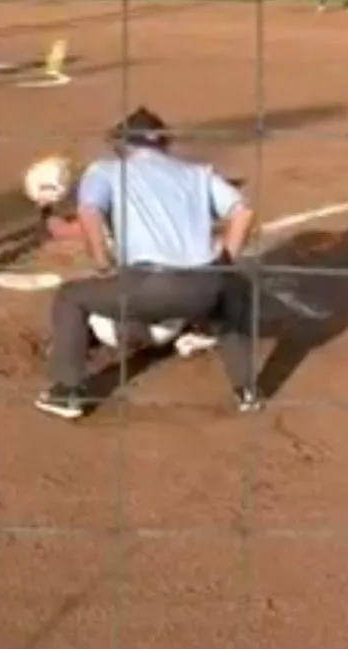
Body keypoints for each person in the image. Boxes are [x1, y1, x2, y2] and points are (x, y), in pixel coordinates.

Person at [33, 107, 262, 420]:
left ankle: (67, 391)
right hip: (206, 288)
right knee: (233, 287)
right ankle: (247, 390)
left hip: (150, 288)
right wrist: (224, 262)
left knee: (72, 297)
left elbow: (88, 215)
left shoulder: (106, 171)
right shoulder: (198, 173)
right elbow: (243, 212)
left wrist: (97, 258)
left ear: (123, 145)